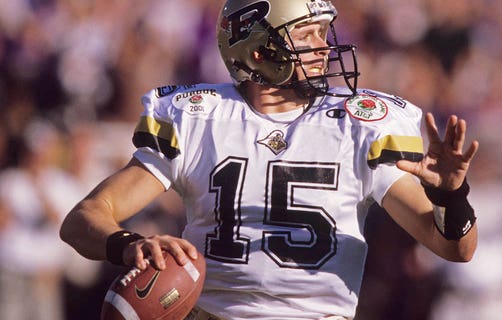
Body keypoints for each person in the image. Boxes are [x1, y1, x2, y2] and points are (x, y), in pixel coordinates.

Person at [59, 0, 480, 319]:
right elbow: (83, 219)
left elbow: (454, 247)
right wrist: (131, 245)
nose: (325, 48)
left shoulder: (358, 125)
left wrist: (451, 196)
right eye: (308, 35)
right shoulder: (200, 117)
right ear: (259, 51)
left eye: (324, 33)